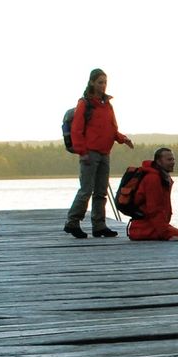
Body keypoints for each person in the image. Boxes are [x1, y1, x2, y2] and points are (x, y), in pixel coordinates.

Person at [64, 68, 133, 239]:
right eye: (100, 82)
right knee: (86, 190)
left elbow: (111, 129)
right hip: (89, 152)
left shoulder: (107, 104)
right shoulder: (84, 103)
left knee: (101, 191)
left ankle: (99, 226)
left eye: (105, 82)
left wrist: (122, 138)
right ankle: (72, 222)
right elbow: (77, 130)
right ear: (92, 83)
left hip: (104, 152)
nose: (103, 85)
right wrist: (82, 151)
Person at [127, 147, 178, 247]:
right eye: (169, 160)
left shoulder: (163, 177)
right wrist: (166, 234)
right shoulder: (153, 179)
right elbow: (154, 210)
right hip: (143, 229)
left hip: (153, 226)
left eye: (173, 159)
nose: (173, 162)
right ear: (158, 161)